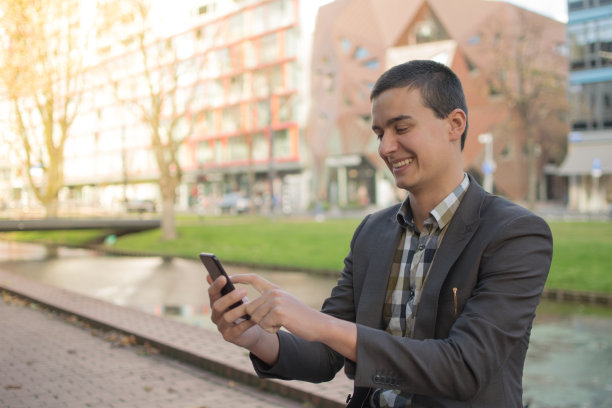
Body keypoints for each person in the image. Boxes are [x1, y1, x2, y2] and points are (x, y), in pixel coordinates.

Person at [207, 60, 553, 407]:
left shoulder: (515, 234)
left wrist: (319, 323)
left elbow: (465, 368)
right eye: (379, 134)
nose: (385, 148)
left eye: (401, 128)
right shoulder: (372, 232)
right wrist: (255, 337)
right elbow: (327, 355)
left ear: (455, 124)